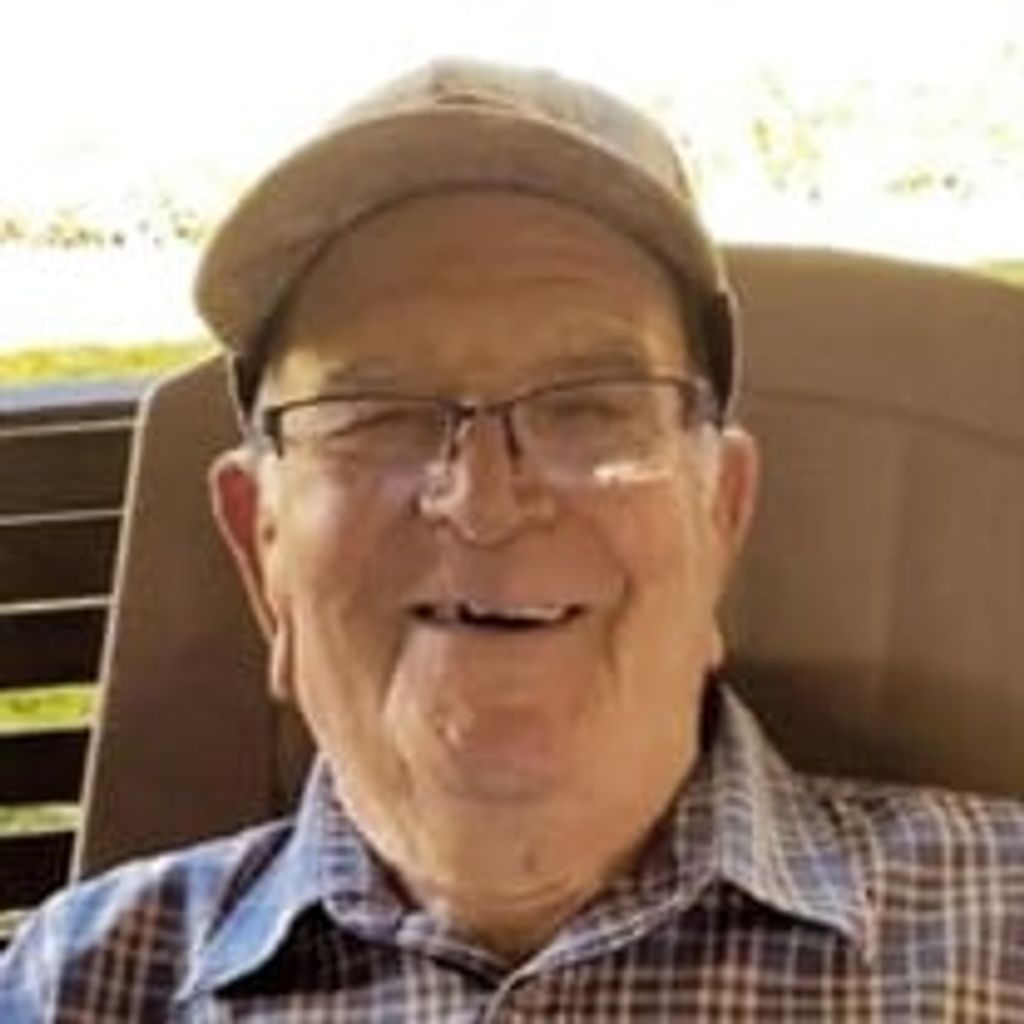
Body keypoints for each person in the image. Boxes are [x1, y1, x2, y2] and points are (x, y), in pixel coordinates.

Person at [2, 56, 1022, 1021]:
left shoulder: (999, 933)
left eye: (589, 407)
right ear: (260, 544)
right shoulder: (80, 985)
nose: (484, 503)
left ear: (719, 515)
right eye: (377, 413)